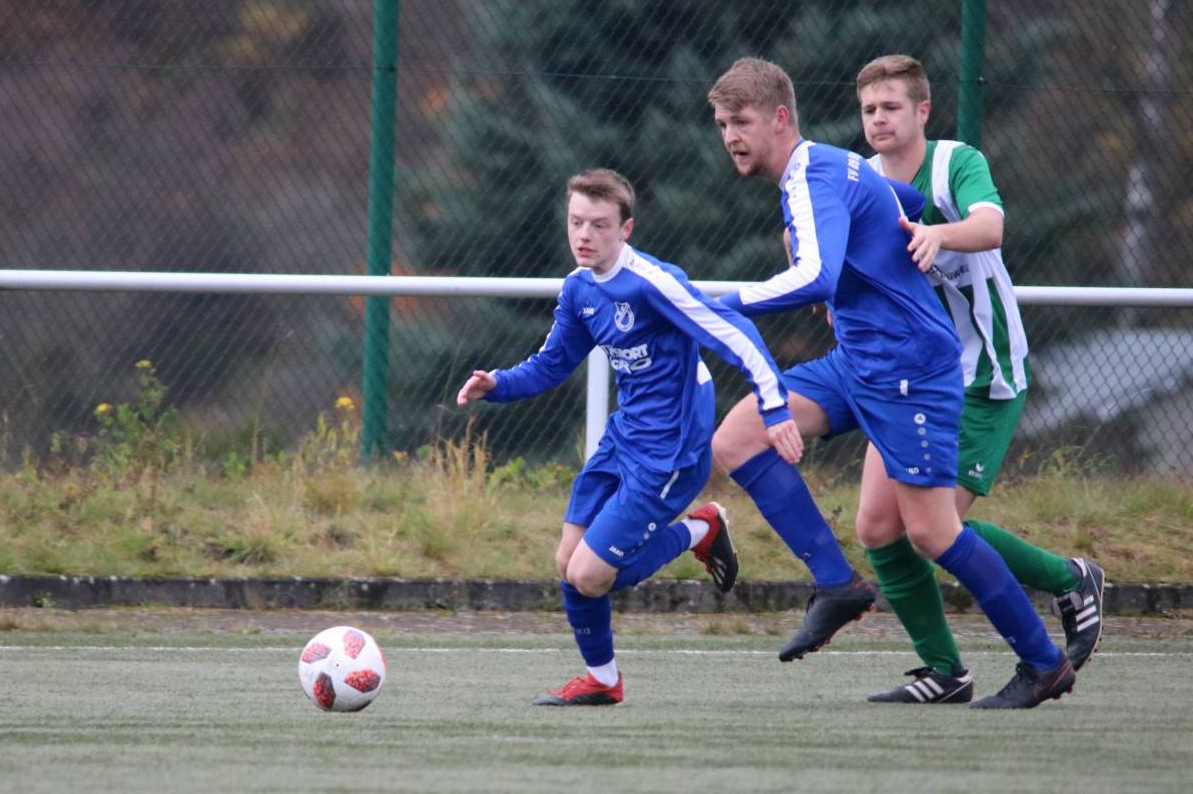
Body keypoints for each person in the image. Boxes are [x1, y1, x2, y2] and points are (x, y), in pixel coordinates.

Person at [706, 57, 1074, 708]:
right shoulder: (836, 166)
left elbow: (815, 278)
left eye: (740, 121)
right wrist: (884, 239)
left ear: (780, 119)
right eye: (721, 124)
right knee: (739, 437)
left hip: (909, 367)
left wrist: (718, 303)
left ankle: (1043, 662)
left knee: (931, 533)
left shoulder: (810, 178)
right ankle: (836, 583)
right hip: (859, 360)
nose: (729, 135)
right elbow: (899, 205)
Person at [456, 168, 802, 706]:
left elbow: (733, 334)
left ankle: (698, 530)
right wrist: (496, 384)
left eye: (598, 224)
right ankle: (603, 680)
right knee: (567, 564)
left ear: (626, 229)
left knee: (591, 575)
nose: (584, 235)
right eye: (576, 222)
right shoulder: (579, 288)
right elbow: (552, 364)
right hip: (624, 438)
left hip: (669, 456)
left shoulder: (653, 283)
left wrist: (774, 404)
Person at [854, 54, 1104, 704]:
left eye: (891, 107)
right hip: (910, 381)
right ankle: (945, 671)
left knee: (932, 529)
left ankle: (1068, 578)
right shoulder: (866, 182)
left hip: (980, 374)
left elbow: (992, 225)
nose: (879, 119)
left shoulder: (953, 162)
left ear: (922, 112)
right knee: (879, 526)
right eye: (869, 109)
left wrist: (939, 233)